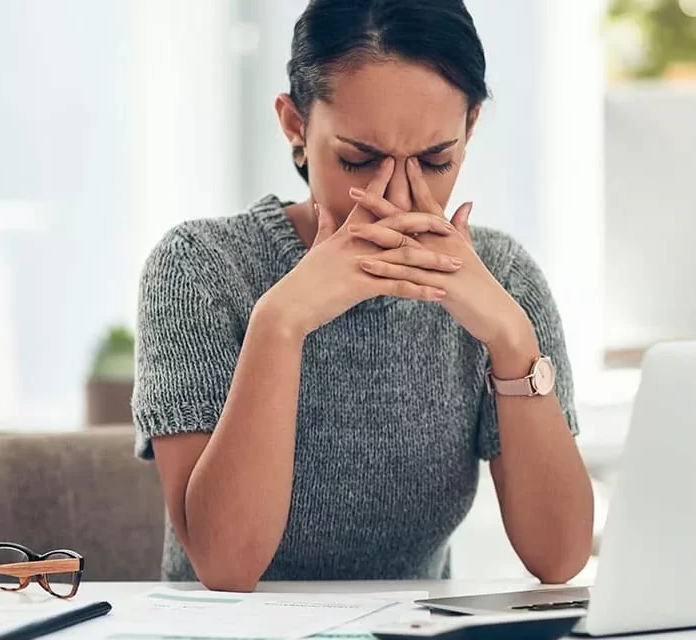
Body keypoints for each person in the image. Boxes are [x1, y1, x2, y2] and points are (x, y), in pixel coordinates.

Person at [132, 0, 593, 592]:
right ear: (295, 126)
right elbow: (226, 566)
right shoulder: (199, 267)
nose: (397, 197)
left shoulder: (503, 277)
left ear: (470, 127)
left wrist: (512, 340)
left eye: (435, 160)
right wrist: (280, 322)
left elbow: (560, 559)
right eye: (359, 159)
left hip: (410, 629)